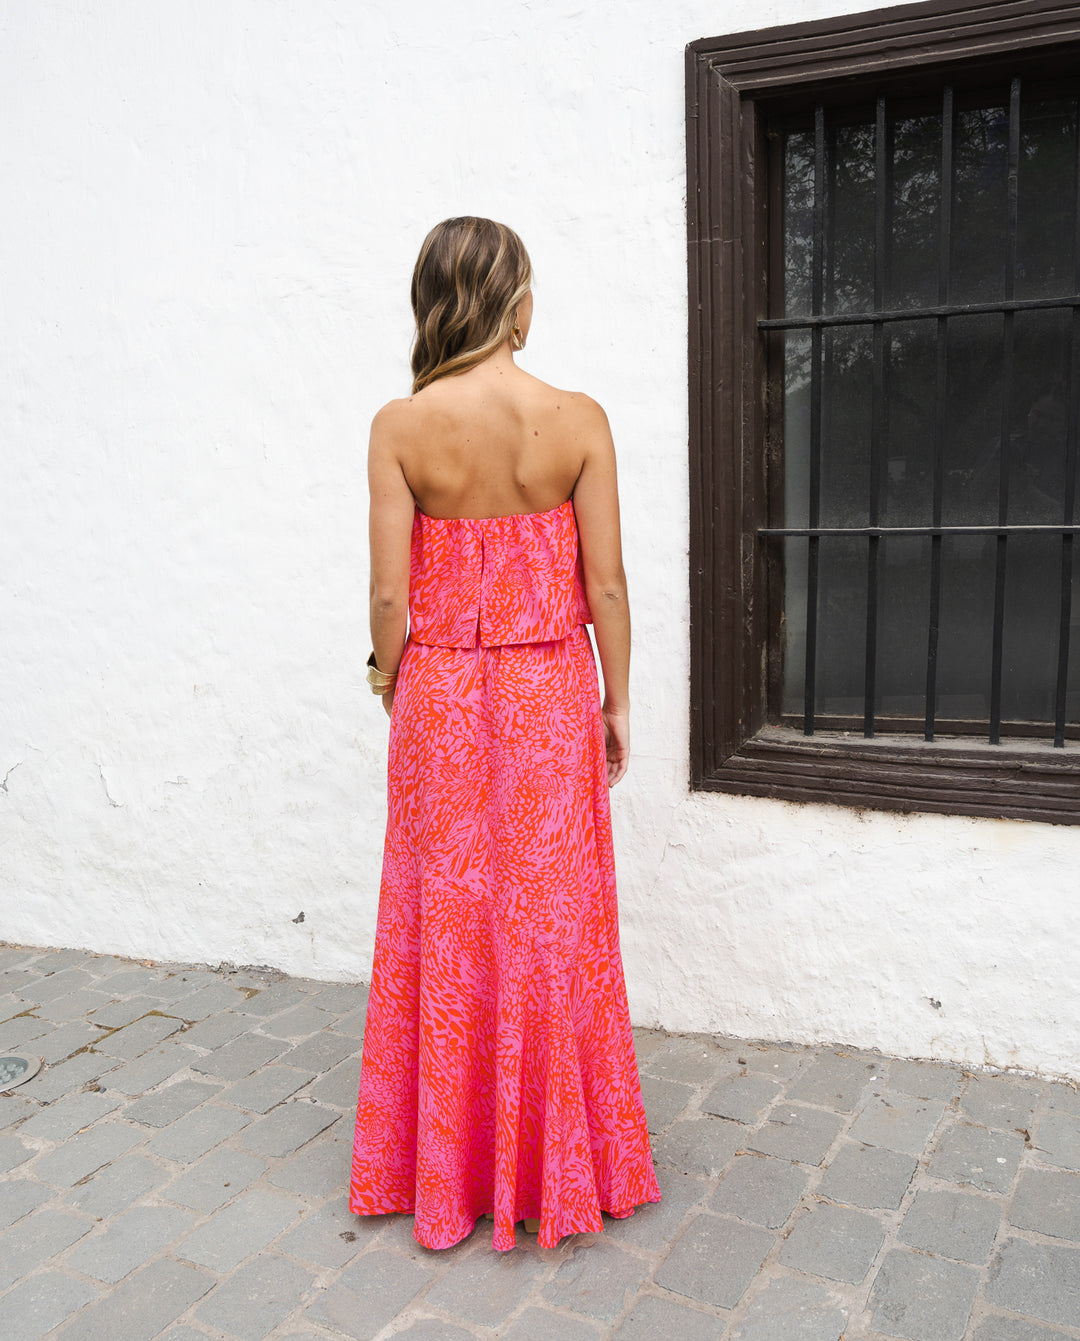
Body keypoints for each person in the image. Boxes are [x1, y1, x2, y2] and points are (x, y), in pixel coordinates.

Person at [349, 217, 660, 1251]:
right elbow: (604, 581)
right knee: (549, 917)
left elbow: (390, 593)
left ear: (432, 302)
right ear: (516, 301)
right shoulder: (577, 420)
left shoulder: (399, 427)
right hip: (545, 693)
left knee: (445, 914)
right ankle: (561, 1162)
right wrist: (617, 699)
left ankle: (450, 1166)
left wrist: (392, 680)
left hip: (440, 694)